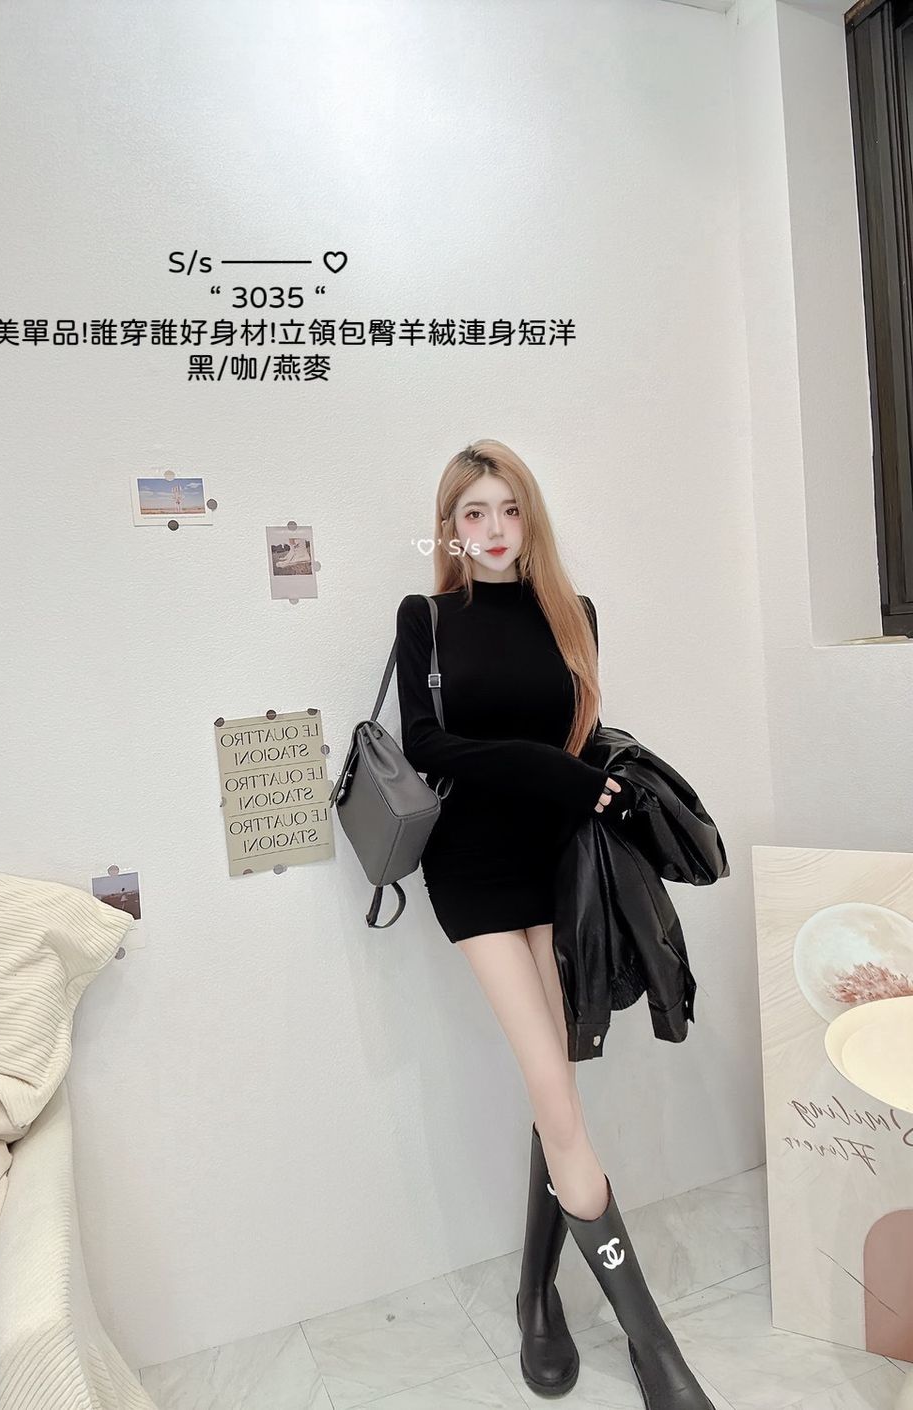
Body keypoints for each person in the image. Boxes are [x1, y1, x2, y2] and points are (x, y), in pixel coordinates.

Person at [394, 441, 714, 1407]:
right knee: (555, 1089)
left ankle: (537, 1296)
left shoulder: (576, 616)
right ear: (450, 529)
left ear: (529, 516)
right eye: (472, 514)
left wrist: (580, 784)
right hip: (474, 872)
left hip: (560, 865)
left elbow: (575, 734)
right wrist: (560, 776)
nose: (492, 530)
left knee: (557, 1091)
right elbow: (428, 744)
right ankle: (655, 1350)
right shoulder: (426, 618)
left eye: (508, 510)